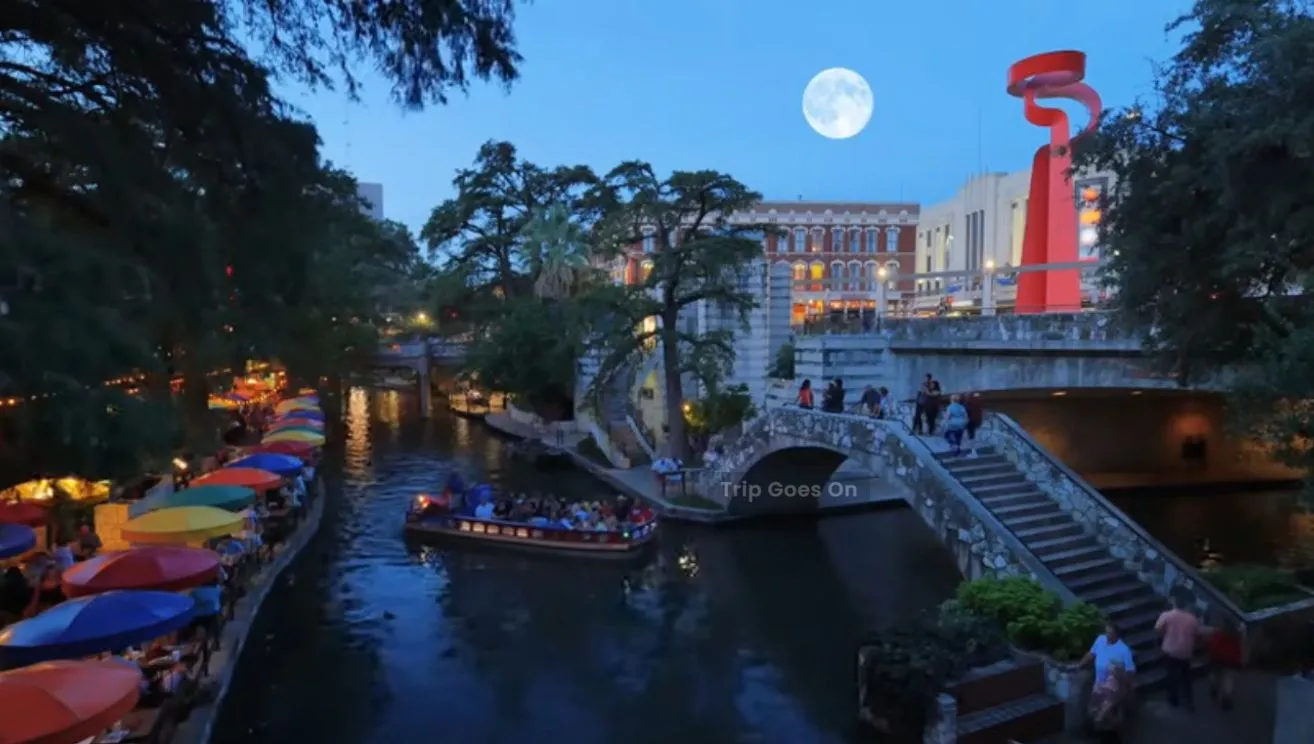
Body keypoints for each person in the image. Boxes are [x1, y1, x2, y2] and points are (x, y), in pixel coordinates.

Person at [1082, 622, 1136, 738]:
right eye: (1106, 632)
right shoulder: (1100, 640)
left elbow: (1130, 673)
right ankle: (1103, 731)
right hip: (1099, 684)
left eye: (1110, 633)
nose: (1107, 636)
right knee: (1093, 711)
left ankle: (1113, 733)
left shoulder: (1124, 650)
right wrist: (1080, 665)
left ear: (1116, 635)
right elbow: (1091, 654)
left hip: (1114, 689)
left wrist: (1118, 673)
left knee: (1105, 714)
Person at [1156, 595, 1201, 710]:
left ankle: (1173, 699)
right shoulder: (1192, 618)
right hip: (1185, 651)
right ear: (1186, 605)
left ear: (1174, 603)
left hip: (1170, 650)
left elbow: (1158, 628)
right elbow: (1197, 633)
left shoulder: (1167, 615)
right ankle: (1188, 700)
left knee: (1171, 675)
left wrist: (1164, 636)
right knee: (1186, 676)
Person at [1207, 617, 1242, 710]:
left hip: (1217, 657)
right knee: (1228, 680)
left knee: (1214, 674)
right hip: (1232, 659)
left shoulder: (1218, 632)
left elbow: (1213, 644)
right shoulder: (1237, 634)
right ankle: (1226, 700)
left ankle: (1214, 689)